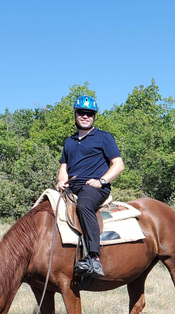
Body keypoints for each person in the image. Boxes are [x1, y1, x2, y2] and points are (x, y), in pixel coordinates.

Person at [56, 95, 124, 278]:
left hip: (94, 187)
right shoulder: (69, 142)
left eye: (89, 113)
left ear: (94, 116)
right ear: (75, 114)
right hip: (72, 187)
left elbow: (118, 165)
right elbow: (64, 167)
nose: (85, 116)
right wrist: (61, 181)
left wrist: (101, 181)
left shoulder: (103, 137)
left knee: (84, 205)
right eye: (81, 113)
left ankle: (94, 258)